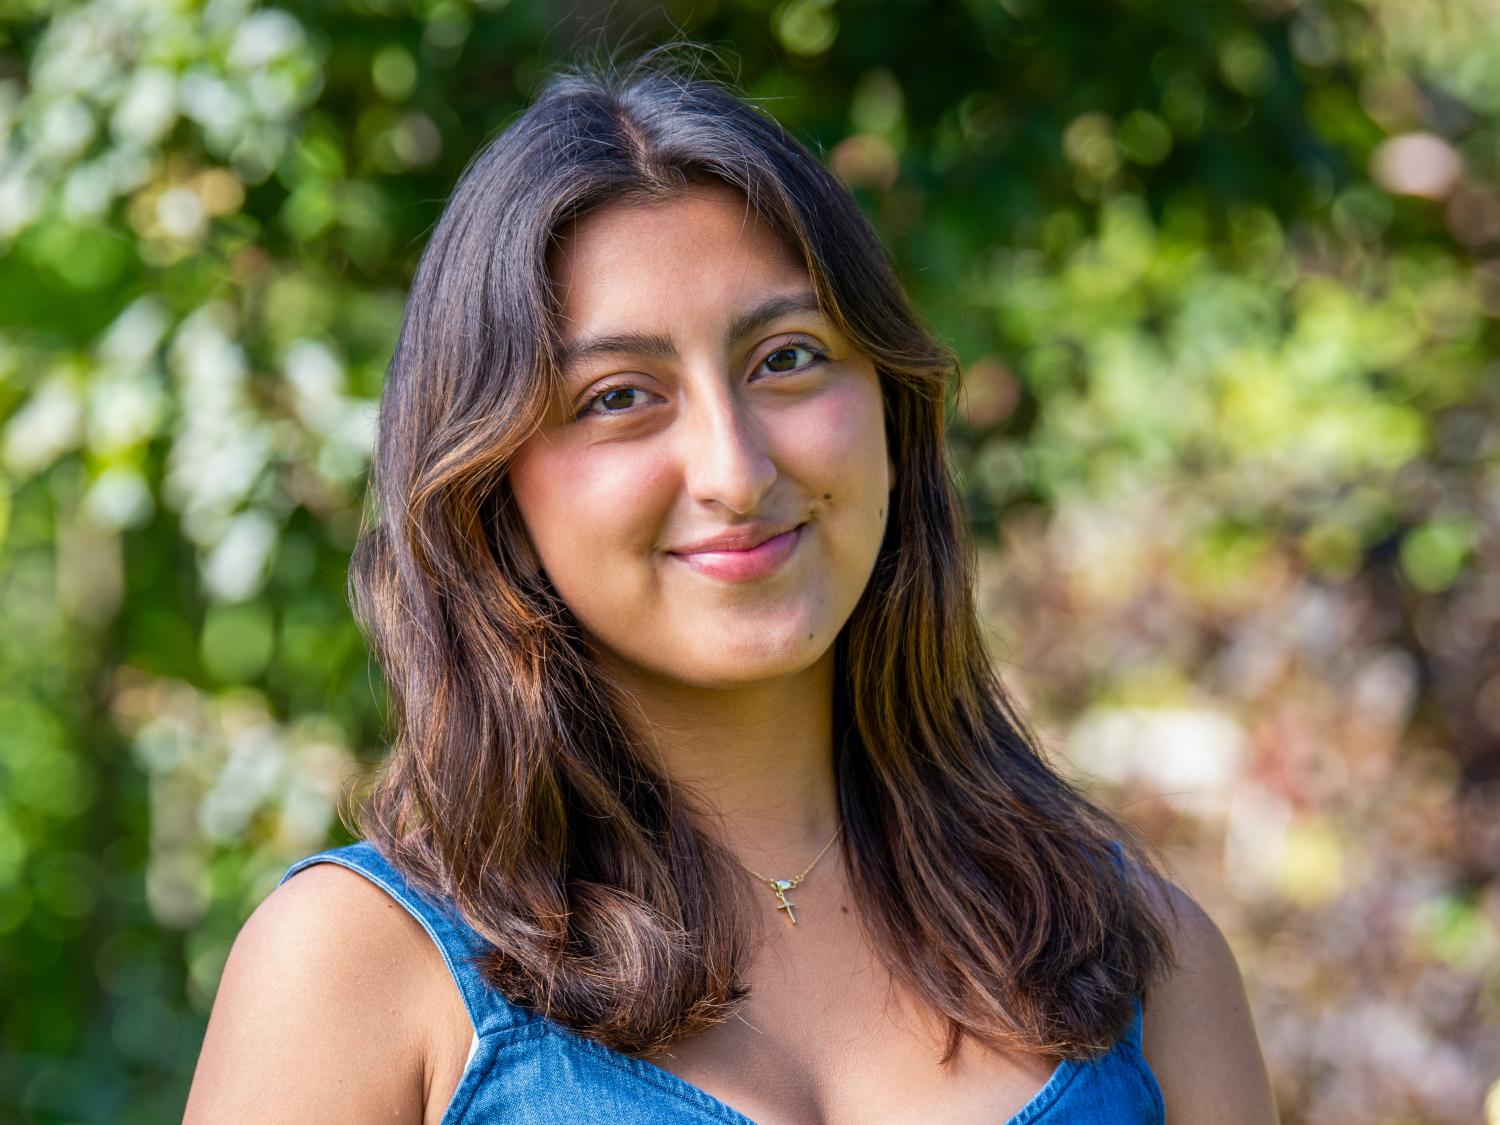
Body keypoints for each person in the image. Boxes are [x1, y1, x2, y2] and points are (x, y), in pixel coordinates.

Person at [184, 46, 1279, 1125]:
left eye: (788, 359)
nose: (736, 470)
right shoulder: (358, 969)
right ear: (492, 486)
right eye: (619, 396)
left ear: (891, 411)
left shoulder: (1146, 961)